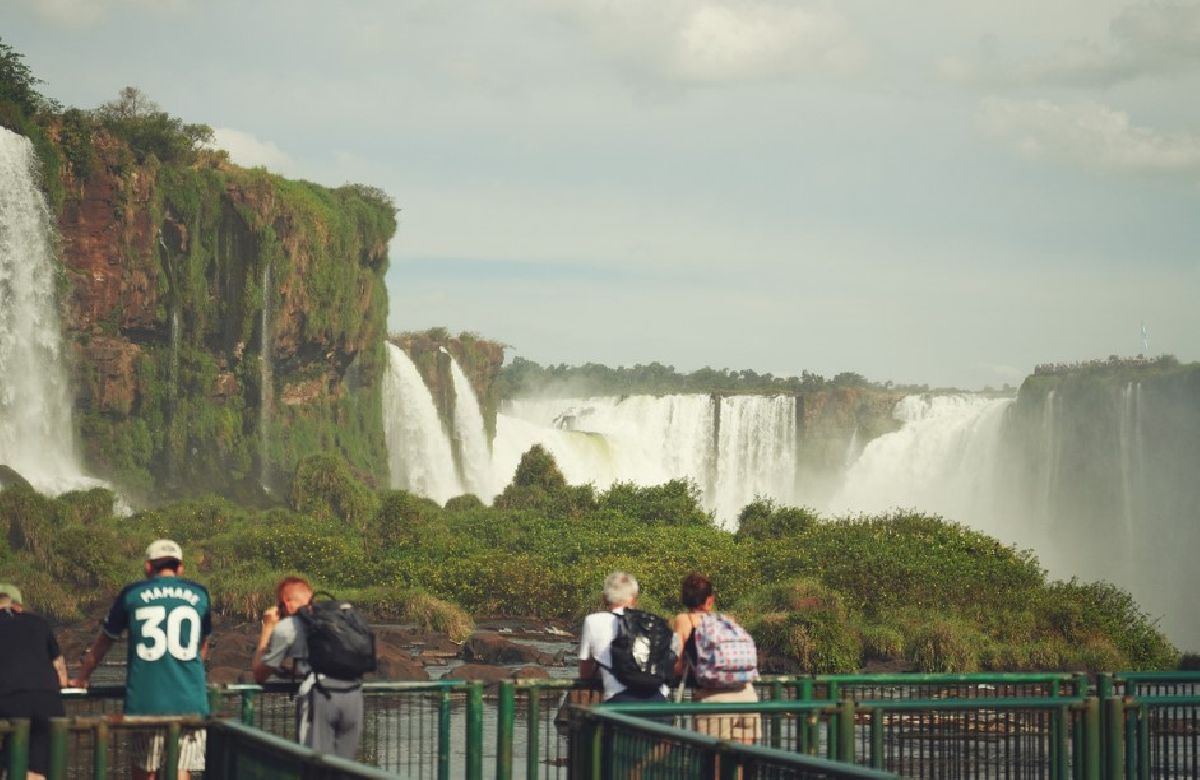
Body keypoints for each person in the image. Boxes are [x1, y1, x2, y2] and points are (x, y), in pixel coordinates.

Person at [73, 540, 211, 780]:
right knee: (181, 771)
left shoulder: (133, 594)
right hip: (190, 700)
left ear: (148, 567)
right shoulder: (199, 594)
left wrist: (82, 677)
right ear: (180, 568)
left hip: (147, 701)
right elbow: (203, 644)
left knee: (145, 770)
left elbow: (104, 642)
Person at [252, 576, 364, 760]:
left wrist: (267, 628)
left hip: (320, 697)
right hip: (353, 695)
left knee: (313, 766)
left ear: (286, 604)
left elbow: (259, 674)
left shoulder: (288, 627)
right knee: (345, 769)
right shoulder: (338, 621)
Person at [672, 572, 760, 744]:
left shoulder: (684, 620)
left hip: (715, 700)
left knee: (715, 765)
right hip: (747, 696)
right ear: (710, 600)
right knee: (740, 763)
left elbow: (678, 666)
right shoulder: (727, 620)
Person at [0, 584, 67, 780]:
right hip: (47, 700)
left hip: (8, 699)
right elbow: (61, 674)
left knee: (9, 760)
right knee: (37, 768)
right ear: (18, 606)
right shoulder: (39, 623)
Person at [578, 571, 672, 704]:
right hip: (659, 702)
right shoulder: (653, 623)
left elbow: (585, 673)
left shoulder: (592, 621)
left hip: (619, 704)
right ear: (634, 598)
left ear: (605, 598)